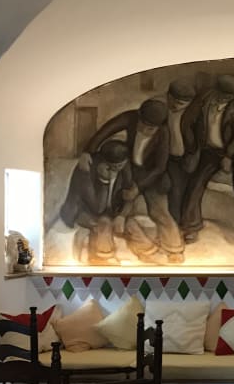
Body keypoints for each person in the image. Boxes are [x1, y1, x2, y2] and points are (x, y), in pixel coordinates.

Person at [82, 98, 185, 263]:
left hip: (151, 176)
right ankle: (118, 248)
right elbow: (104, 131)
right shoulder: (129, 118)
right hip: (128, 170)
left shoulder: (163, 133)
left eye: (150, 128)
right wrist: (88, 151)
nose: (145, 130)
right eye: (142, 125)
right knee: (118, 208)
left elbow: (160, 168)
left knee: (159, 212)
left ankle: (174, 249)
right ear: (139, 117)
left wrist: (139, 187)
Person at [180, 74, 234, 242]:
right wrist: (192, 147)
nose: (225, 100)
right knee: (196, 183)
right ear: (217, 91)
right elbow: (186, 122)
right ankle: (191, 227)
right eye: (223, 96)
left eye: (229, 97)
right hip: (207, 150)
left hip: (228, 148)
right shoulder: (202, 101)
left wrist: (229, 156)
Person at [60, 140, 135, 264]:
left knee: (132, 225)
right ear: (104, 162)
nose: (119, 169)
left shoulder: (124, 168)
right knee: (103, 225)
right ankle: (101, 260)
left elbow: (129, 195)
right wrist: (104, 181)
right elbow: (97, 208)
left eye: (122, 165)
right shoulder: (86, 171)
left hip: (111, 211)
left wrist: (122, 215)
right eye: (116, 166)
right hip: (82, 211)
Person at [165, 78, 196, 222]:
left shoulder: (191, 115)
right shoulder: (162, 111)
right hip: (167, 158)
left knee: (186, 192)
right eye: (174, 101)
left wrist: (192, 156)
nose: (176, 106)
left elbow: (197, 139)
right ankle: (176, 224)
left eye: (182, 104)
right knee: (175, 192)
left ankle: (184, 223)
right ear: (168, 96)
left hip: (185, 158)